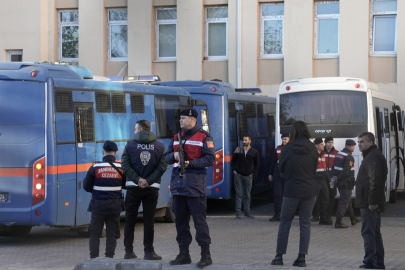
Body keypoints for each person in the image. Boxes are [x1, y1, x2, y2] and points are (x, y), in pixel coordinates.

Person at [166, 108, 215, 268]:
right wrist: (173, 156)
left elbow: (210, 159)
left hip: (195, 186)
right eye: (179, 118)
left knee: (199, 222)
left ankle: (205, 256)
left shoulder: (204, 137)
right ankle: (183, 254)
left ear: (193, 119)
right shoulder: (176, 137)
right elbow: (166, 157)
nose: (180, 121)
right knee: (180, 222)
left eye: (183, 118)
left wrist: (190, 163)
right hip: (179, 185)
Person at [271, 121, 318, 267]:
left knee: (285, 223)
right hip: (310, 190)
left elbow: (281, 168)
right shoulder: (312, 147)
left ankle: (279, 257)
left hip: (291, 190)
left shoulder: (287, 148)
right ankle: (302, 258)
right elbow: (314, 167)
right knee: (305, 223)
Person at [121, 120, 167, 260]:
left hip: (133, 189)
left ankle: (128, 252)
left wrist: (137, 180)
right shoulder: (159, 146)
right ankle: (149, 252)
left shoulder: (130, 145)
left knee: (130, 220)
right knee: (149, 221)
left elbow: (125, 164)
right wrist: (148, 181)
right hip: (151, 189)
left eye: (135, 129)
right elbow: (162, 166)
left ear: (141, 130)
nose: (134, 132)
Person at [83, 141, 125, 259]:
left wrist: (98, 192)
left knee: (95, 233)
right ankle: (109, 258)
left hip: (98, 206)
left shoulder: (95, 167)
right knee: (112, 234)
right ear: (115, 153)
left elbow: (86, 186)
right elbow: (125, 185)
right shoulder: (121, 168)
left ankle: (94, 258)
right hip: (115, 206)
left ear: (103, 152)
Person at [356, 132, 387, 269]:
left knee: (368, 232)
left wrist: (372, 201)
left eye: (362, 141)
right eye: (358, 142)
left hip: (369, 202)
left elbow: (375, 181)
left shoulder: (373, 157)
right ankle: (378, 262)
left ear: (371, 142)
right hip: (370, 200)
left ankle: (370, 262)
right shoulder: (371, 155)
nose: (359, 144)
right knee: (374, 232)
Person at [331, 139, 361, 229]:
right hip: (346, 183)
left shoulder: (339, 154)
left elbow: (334, 168)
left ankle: (353, 218)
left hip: (340, 183)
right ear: (350, 146)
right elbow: (346, 172)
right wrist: (337, 179)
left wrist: (335, 179)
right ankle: (338, 222)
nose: (354, 148)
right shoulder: (349, 157)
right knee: (344, 202)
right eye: (354, 146)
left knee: (347, 200)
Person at [231, 135, 259, 219]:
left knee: (247, 194)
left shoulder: (254, 152)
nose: (244, 142)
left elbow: (257, 164)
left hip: (248, 176)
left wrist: (253, 173)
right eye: (243, 140)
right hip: (238, 175)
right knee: (239, 194)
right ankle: (238, 212)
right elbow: (233, 161)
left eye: (246, 140)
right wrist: (234, 170)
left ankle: (247, 212)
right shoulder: (238, 150)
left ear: (250, 141)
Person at [268, 133, 290, 222]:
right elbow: (273, 162)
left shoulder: (292, 149)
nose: (284, 141)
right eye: (283, 139)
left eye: (286, 139)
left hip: (288, 173)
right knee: (277, 194)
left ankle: (286, 215)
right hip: (277, 172)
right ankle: (277, 214)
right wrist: (270, 174)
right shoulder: (278, 149)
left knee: (287, 195)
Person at [311, 138, 332, 225]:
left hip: (323, 180)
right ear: (316, 145)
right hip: (315, 180)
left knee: (325, 199)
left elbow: (325, 169)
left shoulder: (323, 155)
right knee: (314, 200)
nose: (323, 145)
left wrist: (329, 180)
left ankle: (323, 218)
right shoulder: (312, 156)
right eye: (321, 144)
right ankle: (311, 216)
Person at [323, 137, 339, 223]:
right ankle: (321, 215)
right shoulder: (321, 152)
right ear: (325, 143)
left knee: (331, 197)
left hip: (332, 177)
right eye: (329, 142)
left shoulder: (337, 153)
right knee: (323, 198)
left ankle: (329, 216)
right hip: (323, 177)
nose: (331, 144)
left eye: (332, 142)